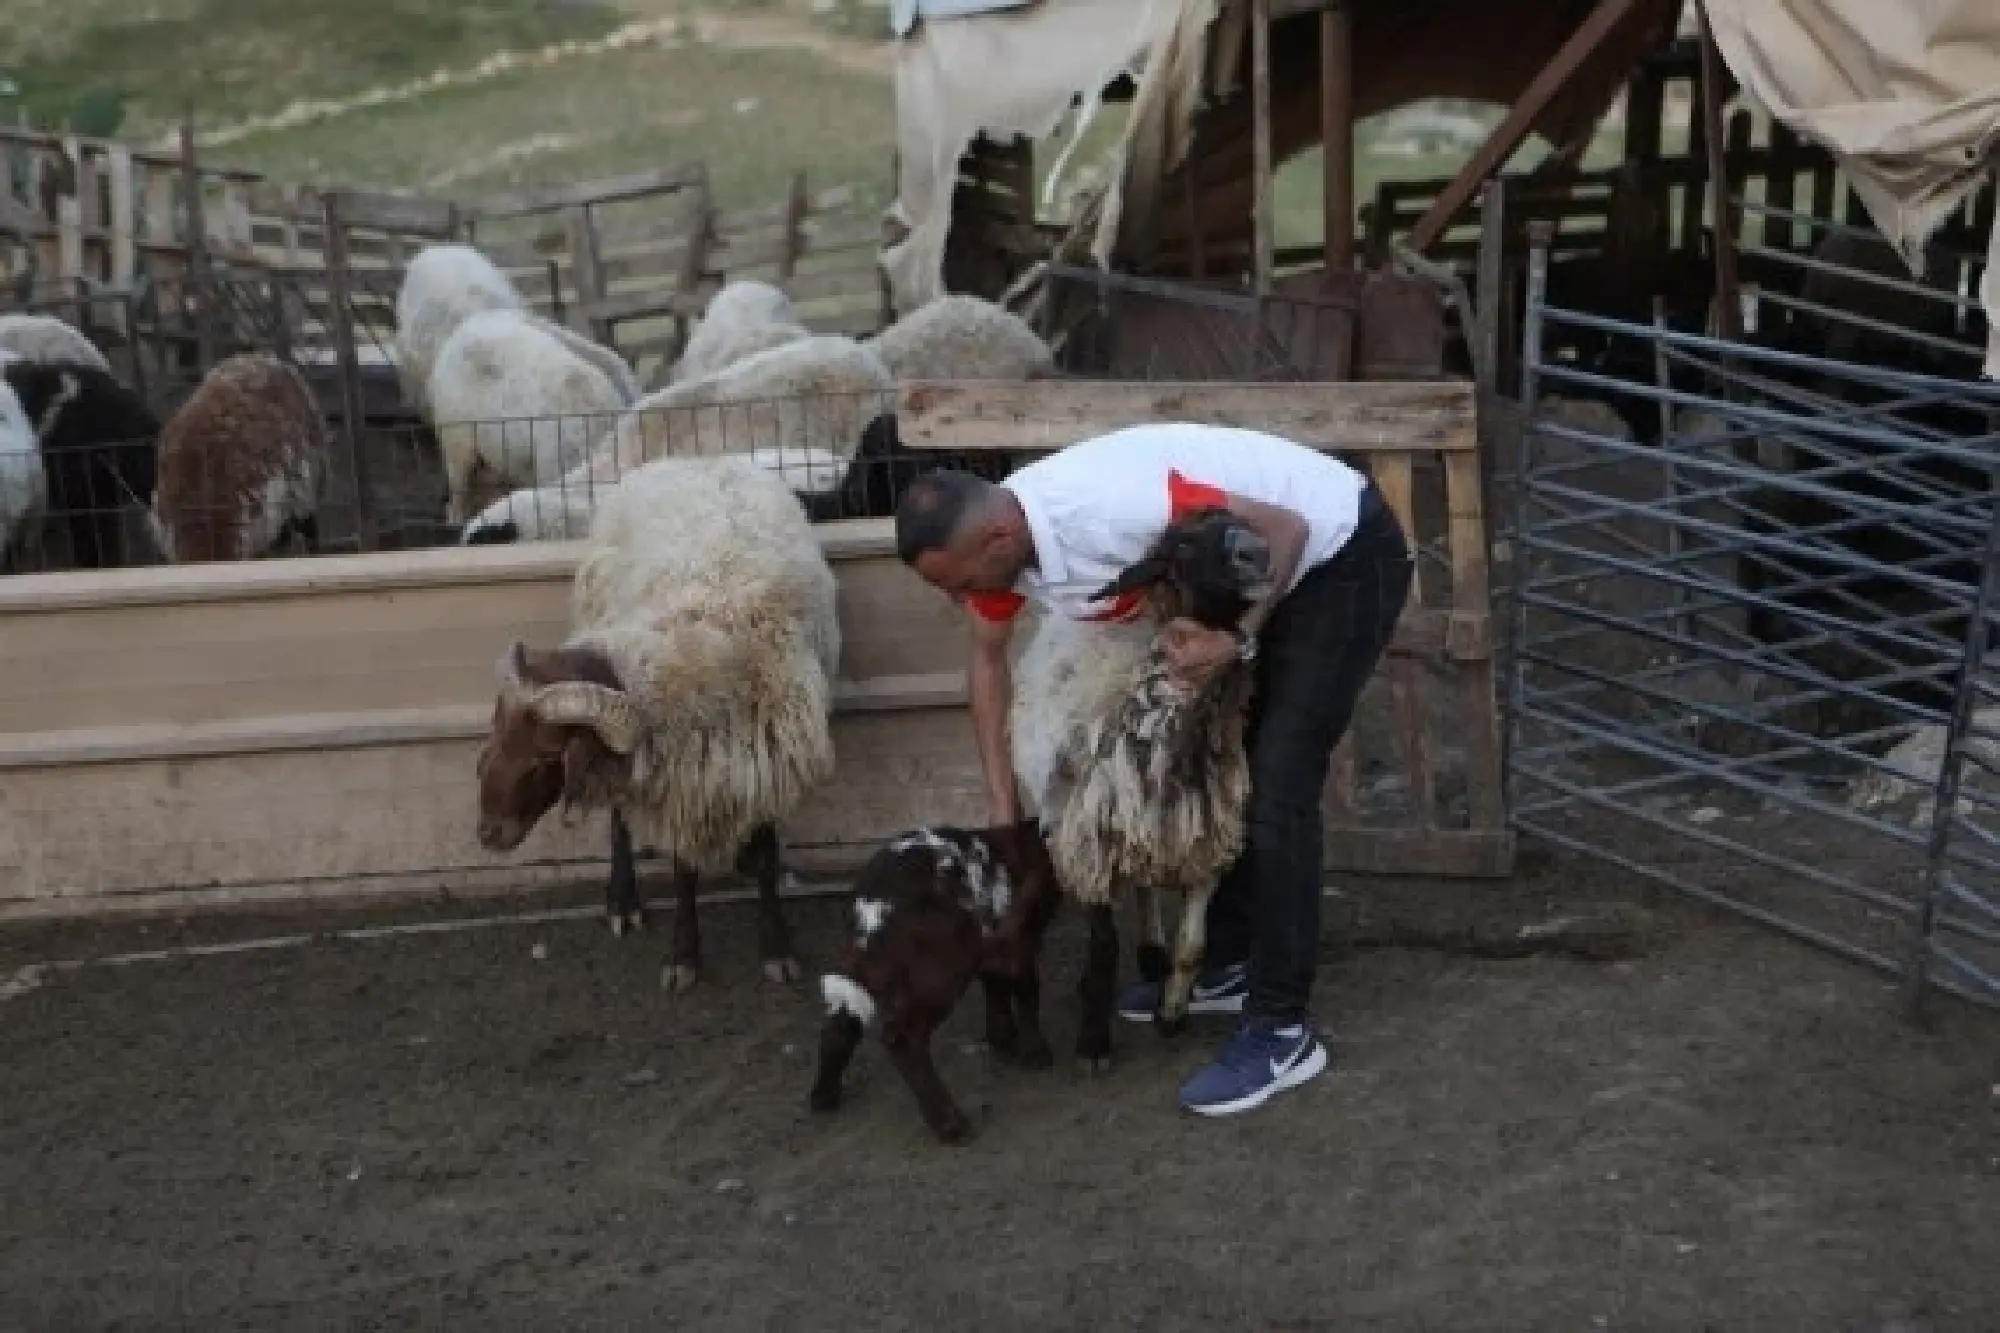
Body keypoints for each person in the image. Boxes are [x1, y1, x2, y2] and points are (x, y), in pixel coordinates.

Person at [891, 421, 1413, 1117]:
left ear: (995, 541)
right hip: (1251, 571)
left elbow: (1283, 529)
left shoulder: (1115, 505)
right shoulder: (1003, 546)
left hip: (1335, 554)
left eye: (959, 585)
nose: (960, 602)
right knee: (1240, 764)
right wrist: (1002, 811)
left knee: (1281, 781)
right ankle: (1228, 957)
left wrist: (1238, 637)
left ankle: (1281, 1028)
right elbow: (987, 663)